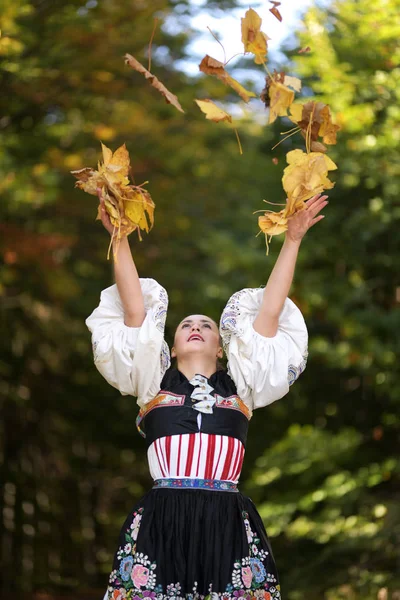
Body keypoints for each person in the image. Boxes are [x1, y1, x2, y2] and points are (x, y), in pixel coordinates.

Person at [85, 192, 328, 600]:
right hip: (163, 521)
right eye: (185, 325)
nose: (196, 326)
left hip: (226, 522)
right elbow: (133, 310)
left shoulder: (243, 386)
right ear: (173, 346)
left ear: (221, 346)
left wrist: (293, 240)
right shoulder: (152, 385)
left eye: (206, 325)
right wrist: (121, 239)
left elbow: (269, 310)